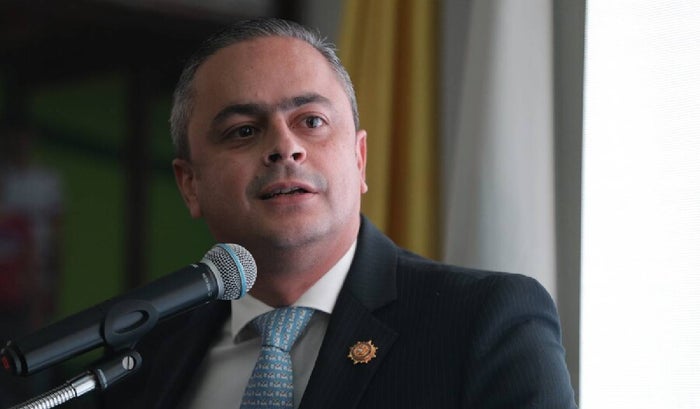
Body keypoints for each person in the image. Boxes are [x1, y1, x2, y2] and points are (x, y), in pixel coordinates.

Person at [101, 18, 577, 409]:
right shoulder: (142, 356)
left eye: (311, 121)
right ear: (190, 185)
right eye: (244, 131)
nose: (285, 147)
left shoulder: (484, 322)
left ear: (359, 159)